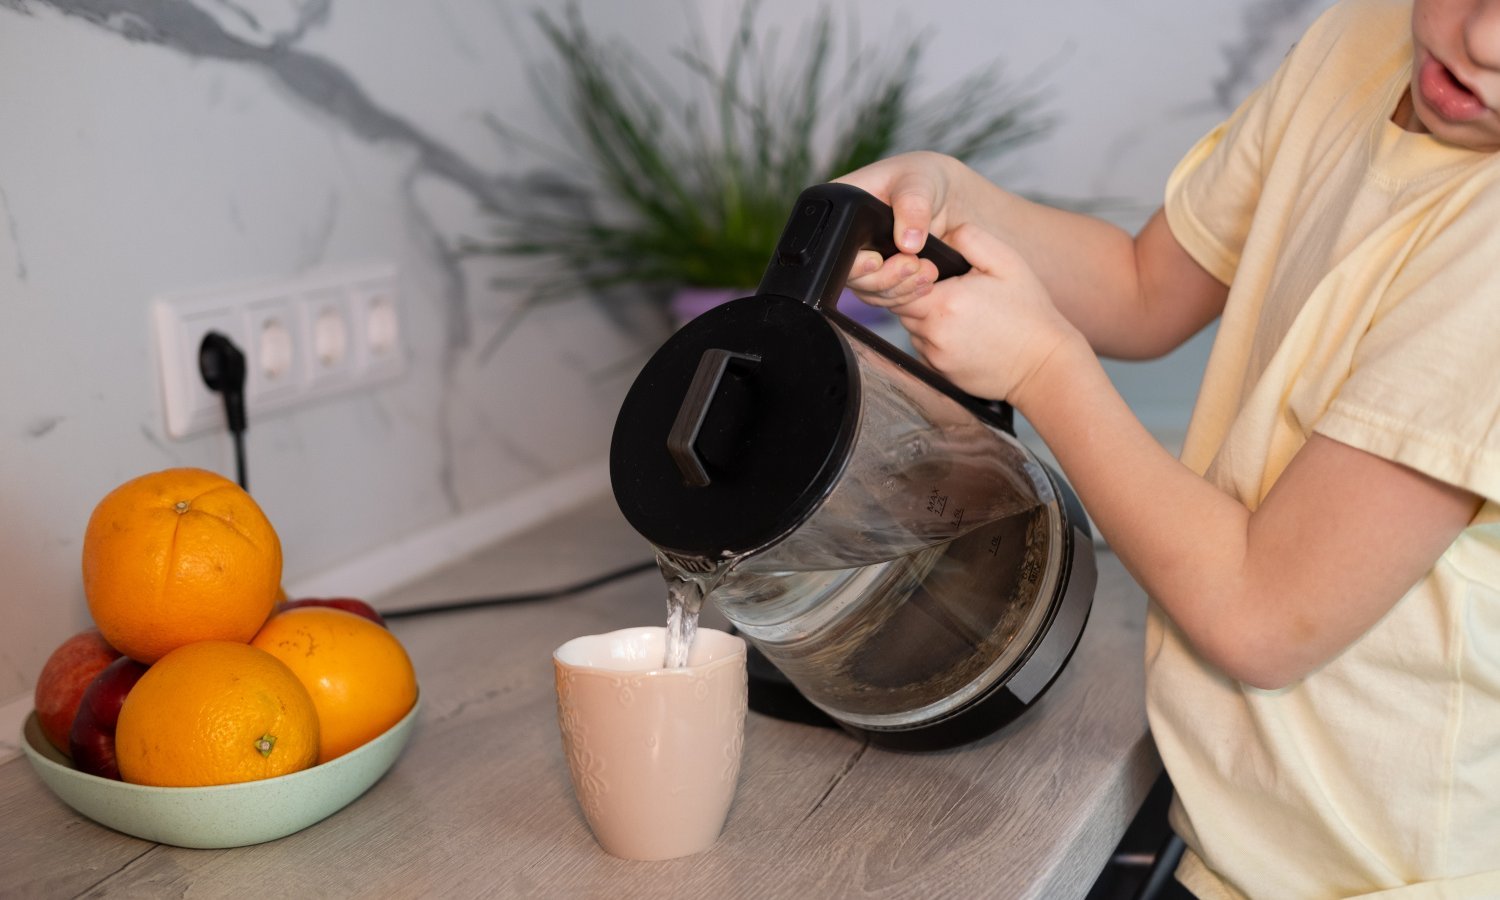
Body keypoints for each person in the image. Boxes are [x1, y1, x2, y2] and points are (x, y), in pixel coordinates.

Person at [838, 0, 1500, 896]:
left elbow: (1264, 618)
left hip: (1390, 873)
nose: (1483, 38)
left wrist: (1040, 364)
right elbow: (1145, 287)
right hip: (1246, 833)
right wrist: (954, 200)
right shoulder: (1367, 34)